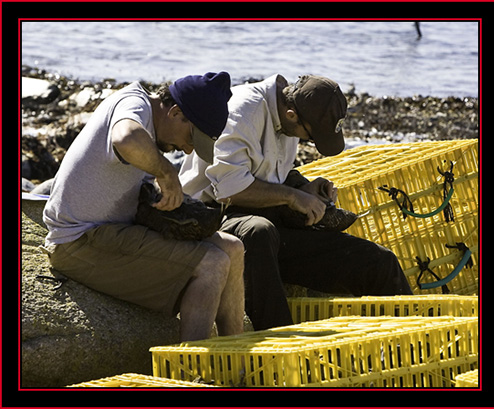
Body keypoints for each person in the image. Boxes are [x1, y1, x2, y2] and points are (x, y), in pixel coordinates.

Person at [179, 74, 413, 331]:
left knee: (379, 262)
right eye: (311, 137)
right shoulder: (242, 111)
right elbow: (229, 188)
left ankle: (413, 343)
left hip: (267, 220)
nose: (308, 142)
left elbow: (268, 170)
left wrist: (303, 186)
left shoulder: (291, 112)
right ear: (291, 114)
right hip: (212, 217)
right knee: (259, 232)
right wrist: (293, 196)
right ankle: (279, 346)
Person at [42, 72, 245, 342]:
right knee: (212, 264)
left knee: (233, 249)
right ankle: (194, 373)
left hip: (114, 231)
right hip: (79, 239)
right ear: (174, 112)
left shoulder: (149, 118)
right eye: (191, 138)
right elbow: (125, 139)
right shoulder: (133, 104)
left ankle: (238, 362)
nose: (186, 150)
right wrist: (166, 173)